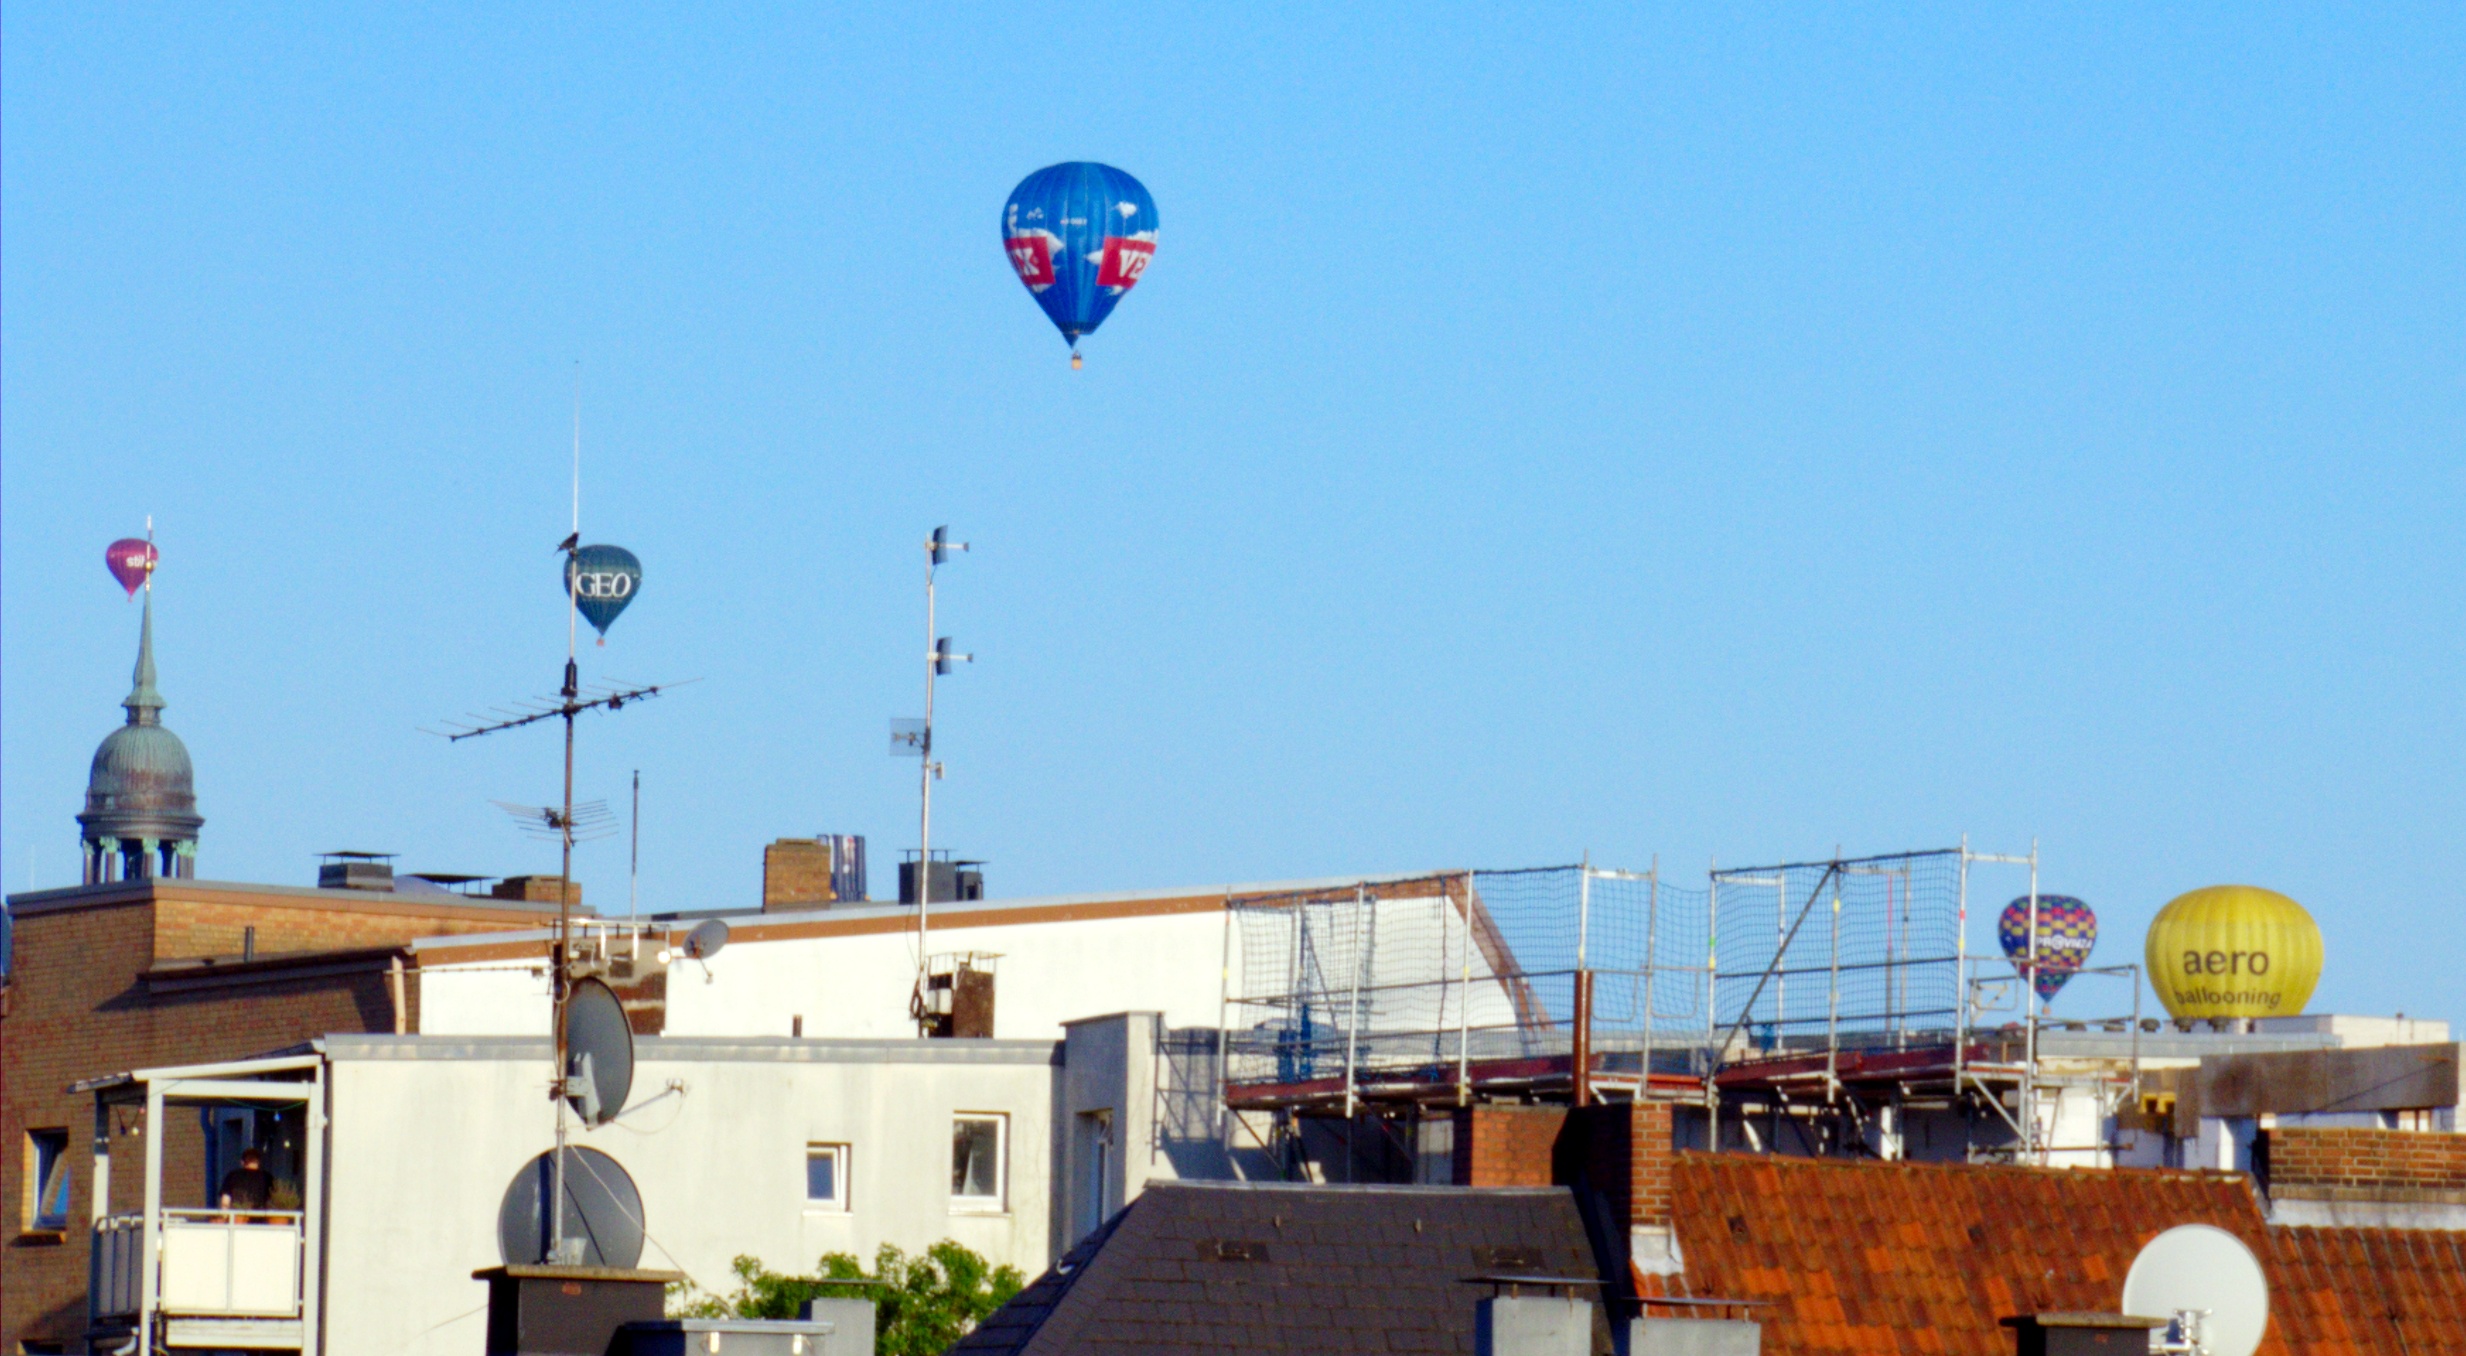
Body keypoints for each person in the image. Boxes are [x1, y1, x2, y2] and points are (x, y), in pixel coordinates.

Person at [218, 1147, 273, 1217]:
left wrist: (225, 1219)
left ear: (242, 1162)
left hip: (238, 1221)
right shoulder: (267, 1178)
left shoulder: (232, 1176)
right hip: (261, 1222)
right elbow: (274, 1203)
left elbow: (225, 1202)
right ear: (258, 1162)